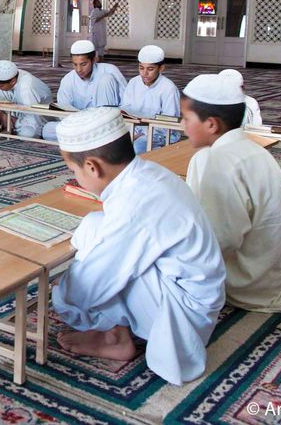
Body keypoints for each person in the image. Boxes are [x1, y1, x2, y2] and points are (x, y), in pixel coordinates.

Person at [51, 107, 226, 385]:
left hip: (183, 313)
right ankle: (116, 332)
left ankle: (111, 336)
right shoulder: (145, 173)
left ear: (93, 167)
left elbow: (95, 279)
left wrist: (60, 295)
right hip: (190, 289)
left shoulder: (134, 203)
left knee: (89, 277)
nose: (76, 177)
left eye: (74, 170)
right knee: (95, 225)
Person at [181, 74, 281, 313]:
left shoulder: (217, 161)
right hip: (269, 273)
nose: (182, 126)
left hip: (244, 281)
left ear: (211, 124)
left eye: (186, 118)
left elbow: (219, 240)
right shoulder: (254, 150)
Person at [41, 40, 120, 141]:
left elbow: (126, 103)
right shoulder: (68, 79)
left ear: (94, 59)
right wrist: (83, 121)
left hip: (106, 124)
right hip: (80, 125)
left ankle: (93, 137)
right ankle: (93, 138)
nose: (78, 69)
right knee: (48, 130)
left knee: (106, 79)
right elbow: (63, 111)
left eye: (83, 64)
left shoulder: (109, 71)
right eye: (75, 64)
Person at [120, 45, 181, 153]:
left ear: (161, 68)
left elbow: (168, 123)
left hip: (160, 132)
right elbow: (125, 111)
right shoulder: (133, 82)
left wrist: (142, 134)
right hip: (134, 129)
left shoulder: (169, 88)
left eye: (150, 69)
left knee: (137, 147)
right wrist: (132, 133)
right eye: (141, 68)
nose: (144, 73)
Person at [0, 60, 52, 138]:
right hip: (18, 114)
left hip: (39, 117)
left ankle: (13, 126)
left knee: (28, 134)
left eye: (1, 86)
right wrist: (3, 115)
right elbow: (1, 102)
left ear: (13, 81)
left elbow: (32, 117)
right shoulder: (8, 78)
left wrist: (15, 122)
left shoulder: (26, 87)